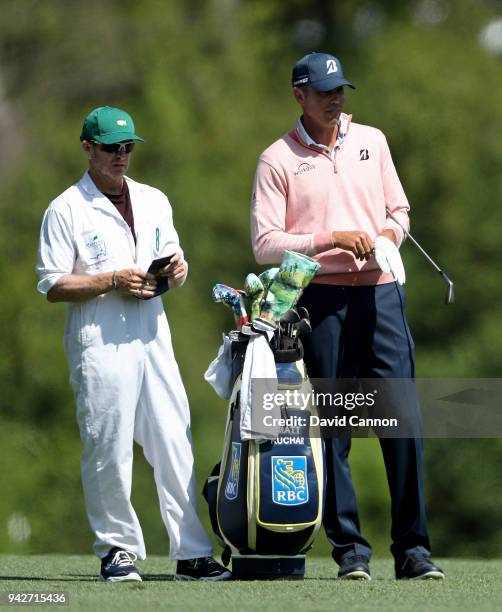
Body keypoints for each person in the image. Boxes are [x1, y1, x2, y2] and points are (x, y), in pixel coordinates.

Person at [250, 53, 444, 580]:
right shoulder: (277, 160)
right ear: (299, 95)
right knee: (335, 427)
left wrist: (384, 238)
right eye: (325, 92)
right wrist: (331, 239)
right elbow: (265, 244)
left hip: (381, 295)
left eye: (341, 91)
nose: (336, 100)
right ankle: (351, 553)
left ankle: (414, 551)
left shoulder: (372, 142)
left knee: (403, 421)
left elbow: (398, 210)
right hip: (323, 301)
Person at [36, 106, 230, 582]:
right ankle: (117, 550)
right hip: (99, 340)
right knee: (109, 444)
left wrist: (177, 272)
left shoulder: (154, 199)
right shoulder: (66, 209)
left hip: (152, 335)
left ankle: (191, 553)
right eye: (111, 148)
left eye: (127, 148)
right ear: (87, 147)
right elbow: (52, 284)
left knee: (173, 437)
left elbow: (171, 260)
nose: (121, 157)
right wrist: (109, 280)